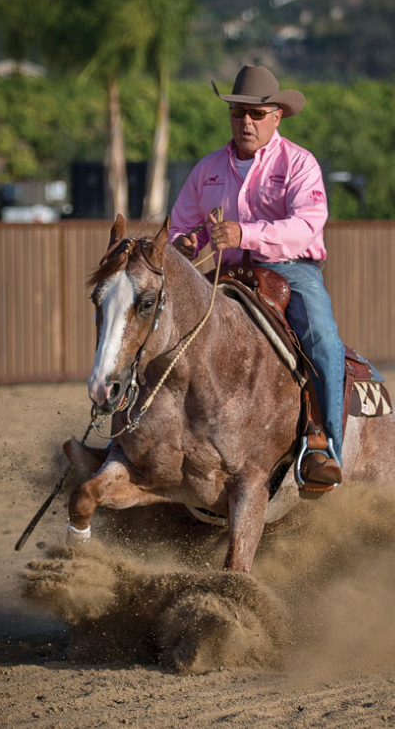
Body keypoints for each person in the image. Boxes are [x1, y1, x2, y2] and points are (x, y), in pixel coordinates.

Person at [169, 64, 345, 488]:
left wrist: (244, 232)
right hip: (227, 273)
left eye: (256, 114)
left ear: (276, 116)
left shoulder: (300, 164)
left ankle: (325, 450)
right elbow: (179, 226)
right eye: (238, 113)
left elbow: (306, 226)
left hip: (290, 272)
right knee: (163, 329)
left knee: (322, 340)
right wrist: (185, 245)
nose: (245, 122)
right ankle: (146, 435)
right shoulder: (207, 169)